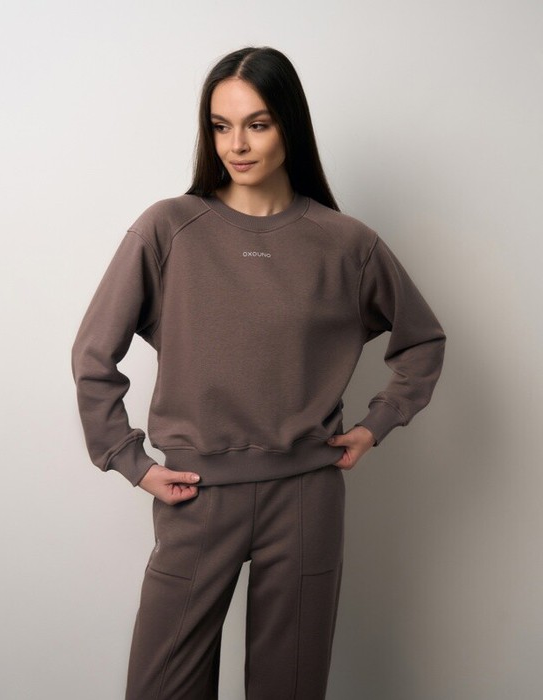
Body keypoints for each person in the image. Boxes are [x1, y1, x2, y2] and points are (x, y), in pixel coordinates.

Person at [71, 45, 446, 700]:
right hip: (195, 495)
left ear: (289, 126)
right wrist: (130, 461)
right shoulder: (168, 228)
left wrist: (375, 425)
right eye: (221, 126)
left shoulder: (347, 243)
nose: (236, 145)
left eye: (257, 123)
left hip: (306, 499)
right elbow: (93, 354)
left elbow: (423, 340)